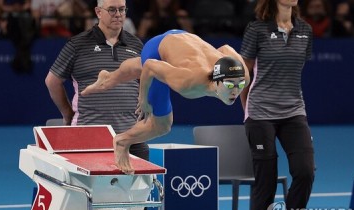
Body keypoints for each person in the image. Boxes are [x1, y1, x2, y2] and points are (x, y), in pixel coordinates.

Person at [81, 29, 250, 174]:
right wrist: (143, 97)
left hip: (183, 39)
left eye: (239, 85)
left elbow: (225, 48)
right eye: (229, 85)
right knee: (162, 125)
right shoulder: (188, 82)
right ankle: (122, 141)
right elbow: (150, 66)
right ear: (216, 81)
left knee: (138, 66)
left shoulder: (242, 75)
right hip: (158, 49)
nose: (236, 90)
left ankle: (107, 78)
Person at [44, 0, 148, 210]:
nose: (118, 14)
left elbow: (148, 80)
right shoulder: (77, 44)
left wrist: (145, 100)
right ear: (98, 12)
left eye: (122, 9)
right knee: (89, 209)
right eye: (112, 9)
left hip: (132, 138)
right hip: (90, 140)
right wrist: (67, 114)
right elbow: (52, 81)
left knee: (137, 209)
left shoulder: (137, 45)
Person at [239, 0, 315, 210]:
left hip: (294, 112)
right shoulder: (257, 29)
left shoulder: (305, 30)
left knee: (305, 172)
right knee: (266, 181)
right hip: (260, 113)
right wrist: (248, 112)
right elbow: (244, 74)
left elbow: (295, 70)